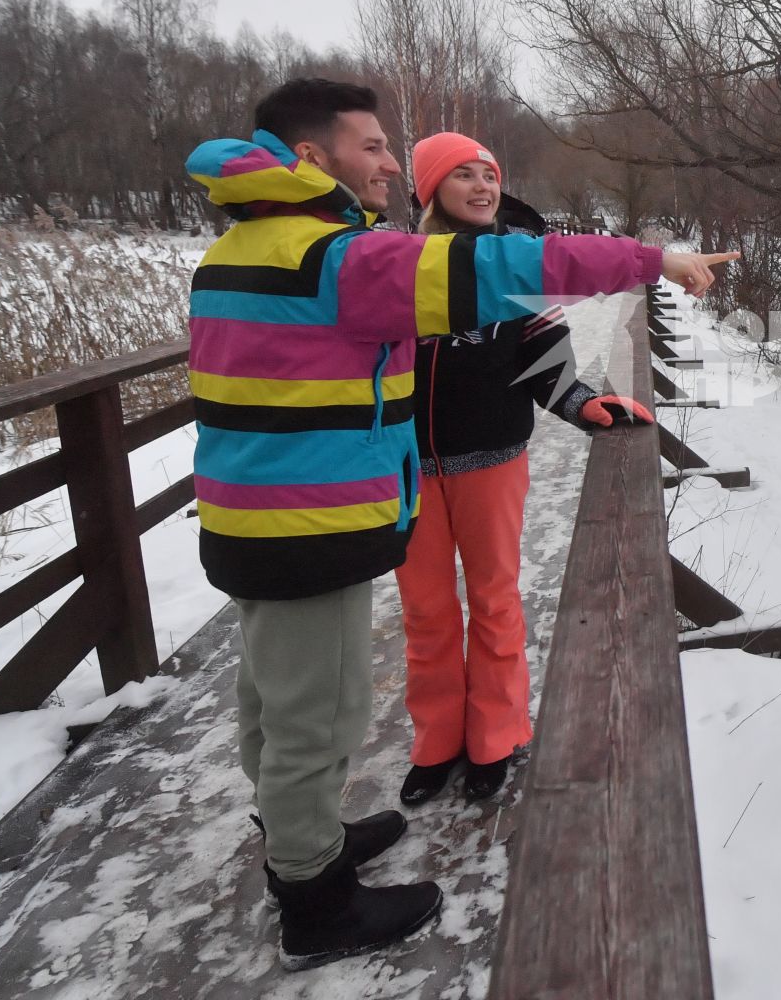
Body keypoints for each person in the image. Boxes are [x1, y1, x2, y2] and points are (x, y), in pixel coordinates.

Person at [185, 79, 734, 970]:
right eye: (371, 145)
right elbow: (513, 267)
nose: (388, 160)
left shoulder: (234, 252)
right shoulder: (337, 259)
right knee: (315, 716)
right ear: (313, 159)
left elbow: (522, 335)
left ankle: (320, 832)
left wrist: (579, 399)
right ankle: (314, 897)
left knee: (273, 702)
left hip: (255, 521)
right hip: (307, 527)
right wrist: (651, 258)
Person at [392, 132, 652, 806]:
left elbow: (546, 365)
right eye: (463, 175)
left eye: (490, 174)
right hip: (404, 468)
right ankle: (436, 740)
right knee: (424, 611)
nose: (483, 186)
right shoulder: (394, 265)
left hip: (491, 461)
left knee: (494, 599)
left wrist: (586, 402)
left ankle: (496, 734)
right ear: (429, 190)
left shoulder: (514, 271)